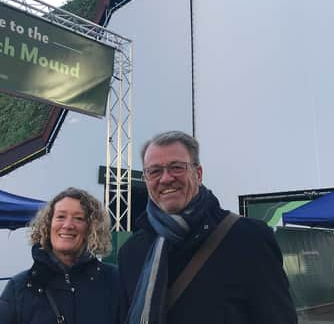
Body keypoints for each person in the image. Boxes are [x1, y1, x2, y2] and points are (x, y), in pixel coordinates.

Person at [118, 130, 297, 324]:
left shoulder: (248, 238)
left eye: (177, 167)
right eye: (154, 171)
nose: (166, 178)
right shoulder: (132, 252)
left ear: (198, 174)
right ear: (146, 179)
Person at [0, 187, 119, 324]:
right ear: (48, 225)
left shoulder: (114, 280)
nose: (68, 225)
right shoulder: (19, 288)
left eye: (78, 218)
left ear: (92, 228)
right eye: (60, 217)